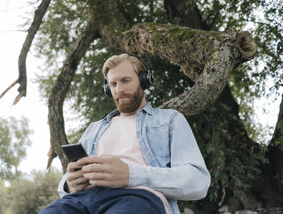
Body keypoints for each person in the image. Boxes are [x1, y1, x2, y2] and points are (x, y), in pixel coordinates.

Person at [39, 54, 210, 214]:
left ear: (144, 80)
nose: (118, 89)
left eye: (125, 81)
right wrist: (70, 184)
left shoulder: (170, 120)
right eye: (113, 84)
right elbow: (68, 181)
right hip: (84, 198)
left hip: (139, 198)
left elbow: (198, 181)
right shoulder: (94, 128)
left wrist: (130, 175)